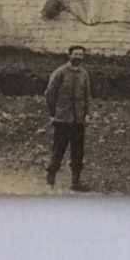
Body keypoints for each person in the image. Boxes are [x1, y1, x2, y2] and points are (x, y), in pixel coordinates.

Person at [44, 45, 91, 191]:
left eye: (80, 54)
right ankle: (51, 177)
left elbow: (87, 96)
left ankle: (75, 182)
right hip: (62, 119)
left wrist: (87, 114)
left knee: (78, 152)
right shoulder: (60, 72)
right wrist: (53, 113)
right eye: (75, 54)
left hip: (78, 121)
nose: (78, 57)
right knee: (59, 149)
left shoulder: (84, 74)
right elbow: (49, 94)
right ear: (69, 55)